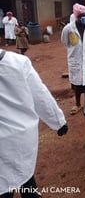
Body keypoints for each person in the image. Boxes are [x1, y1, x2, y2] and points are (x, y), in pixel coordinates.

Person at [0, 48, 68, 198]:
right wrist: (58, 122)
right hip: (22, 137)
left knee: (4, 184)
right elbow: (40, 96)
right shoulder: (18, 62)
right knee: (24, 172)